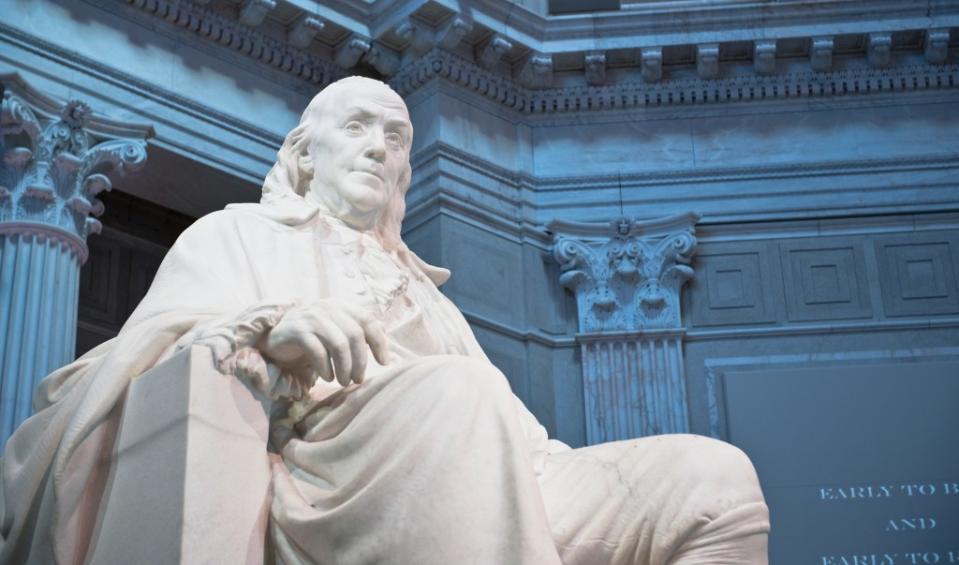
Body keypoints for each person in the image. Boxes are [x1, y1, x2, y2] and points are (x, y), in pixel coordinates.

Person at [0, 76, 769, 564]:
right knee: (455, 397)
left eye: (395, 137)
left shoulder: (429, 293)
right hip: (325, 463)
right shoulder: (237, 235)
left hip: (491, 457)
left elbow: (517, 431)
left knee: (710, 475)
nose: (379, 146)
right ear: (304, 156)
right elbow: (142, 358)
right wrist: (269, 331)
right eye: (358, 127)